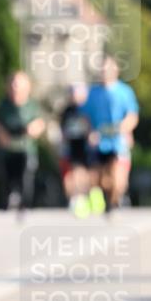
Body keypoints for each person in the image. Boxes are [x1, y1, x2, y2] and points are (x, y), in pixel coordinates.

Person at [82, 55, 139, 213]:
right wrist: (90, 132)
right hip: (99, 140)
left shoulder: (124, 91)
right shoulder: (93, 93)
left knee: (118, 180)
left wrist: (125, 129)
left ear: (116, 70)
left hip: (118, 140)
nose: (104, 72)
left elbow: (132, 116)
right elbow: (85, 117)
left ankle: (115, 201)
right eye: (102, 68)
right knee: (98, 179)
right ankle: (106, 199)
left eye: (108, 68)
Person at [0, 71, 45, 213]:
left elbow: (40, 122)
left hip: (25, 148)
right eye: (13, 84)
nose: (15, 87)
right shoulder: (3, 104)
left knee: (26, 175)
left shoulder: (32, 105)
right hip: (7, 148)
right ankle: (7, 200)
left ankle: (25, 204)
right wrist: (1, 134)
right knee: (6, 177)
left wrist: (33, 129)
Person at [59, 83, 92, 217]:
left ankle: (83, 196)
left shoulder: (87, 109)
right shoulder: (67, 110)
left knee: (82, 172)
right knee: (70, 173)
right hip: (70, 145)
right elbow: (62, 128)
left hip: (84, 145)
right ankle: (74, 197)